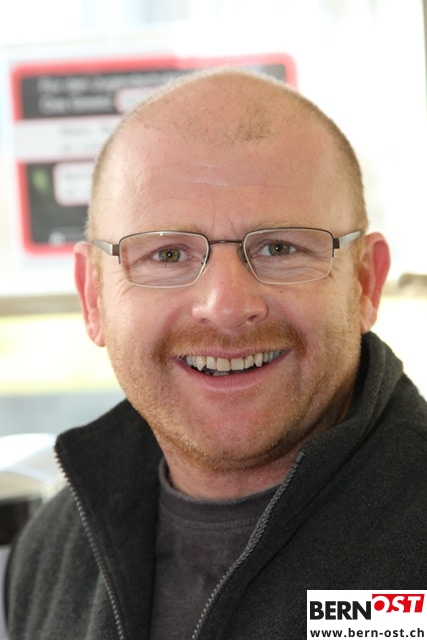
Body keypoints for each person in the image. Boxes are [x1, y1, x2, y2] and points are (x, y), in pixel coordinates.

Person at [4, 68, 427, 640]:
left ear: (364, 284)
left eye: (280, 248)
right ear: (94, 297)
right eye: (167, 255)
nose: (226, 307)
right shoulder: (50, 553)